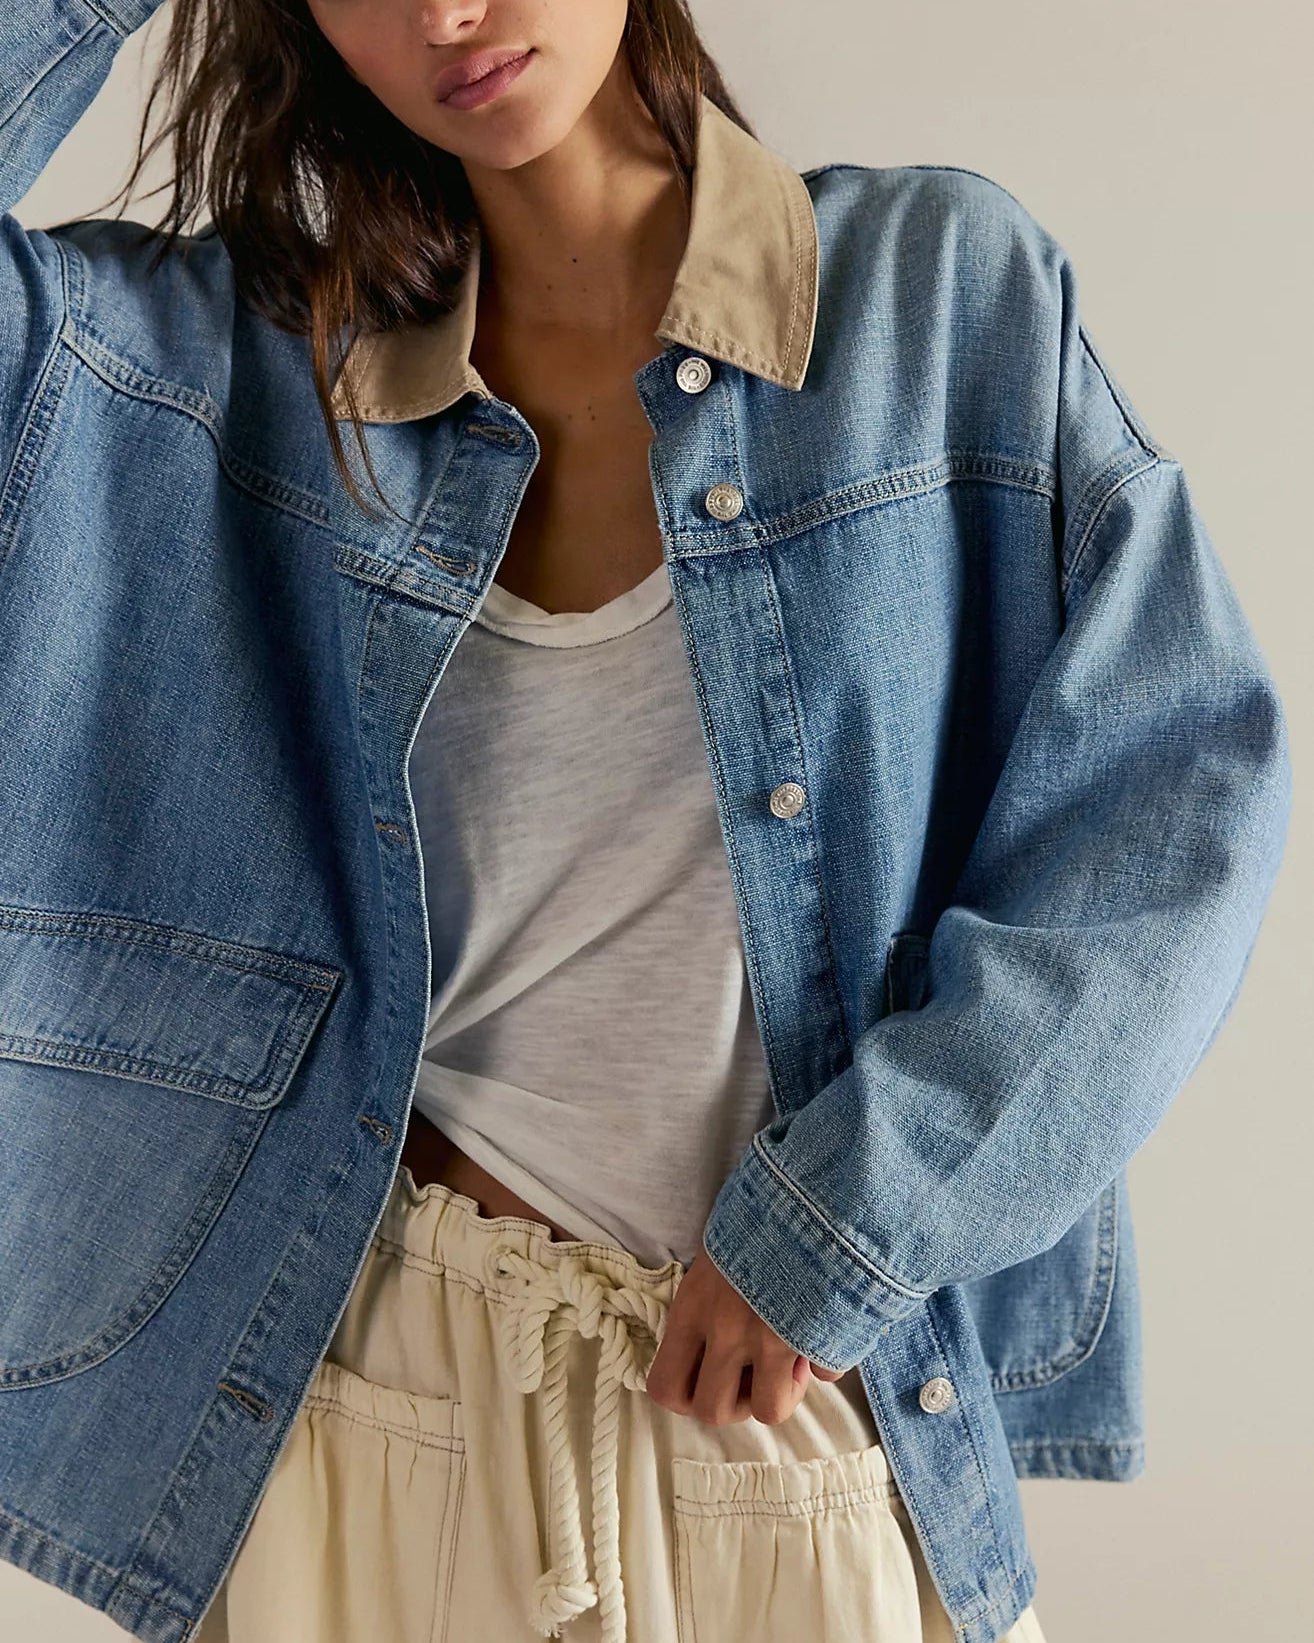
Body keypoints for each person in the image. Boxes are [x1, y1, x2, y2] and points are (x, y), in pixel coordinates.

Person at [0, 2, 1290, 1642]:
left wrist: (849, 1221)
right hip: (364, 1413)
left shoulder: (931, 294)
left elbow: (1176, 808)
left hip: (770, 1397)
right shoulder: (239, 375)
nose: (443, 13)